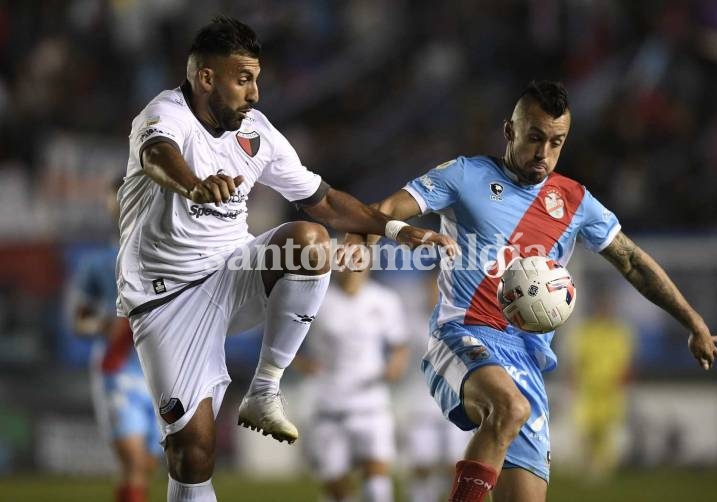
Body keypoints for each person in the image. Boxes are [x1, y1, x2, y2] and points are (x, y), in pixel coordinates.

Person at [116, 16, 453, 502]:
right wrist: (194, 184)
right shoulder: (163, 114)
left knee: (312, 240)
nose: (254, 93)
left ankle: (265, 389)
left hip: (233, 272)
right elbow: (157, 156)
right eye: (243, 79)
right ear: (206, 78)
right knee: (193, 453)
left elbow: (327, 200)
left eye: (257, 79)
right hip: (165, 298)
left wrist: (398, 229)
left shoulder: (258, 133)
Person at [347, 80, 717, 502]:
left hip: (526, 359)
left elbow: (632, 260)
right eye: (535, 138)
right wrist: (368, 244)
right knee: (509, 408)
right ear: (509, 131)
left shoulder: (576, 201)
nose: (543, 153)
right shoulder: (465, 174)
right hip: (461, 335)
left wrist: (692, 321)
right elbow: (381, 212)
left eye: (556, 142)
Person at [71, 178, 161, 502]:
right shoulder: (96, 262)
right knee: (134, 461)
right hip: (118, 369)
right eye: (116, 199)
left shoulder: (167, 254)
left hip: (160, 372)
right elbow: (78, 322)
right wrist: (101, 324)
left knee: (145, 465)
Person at [295, 266, 409, 502]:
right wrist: (302, 364)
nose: (352, 271)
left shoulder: (384, 299)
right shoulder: (316, 301)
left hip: (371, 402)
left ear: (367, 267)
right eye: (345, 264)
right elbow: (284, 340)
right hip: (328, 403)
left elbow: (399, 344)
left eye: (358, 264)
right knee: (335, 484)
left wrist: (395, 367)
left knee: (377, 477)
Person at [398, 273, 473, 502]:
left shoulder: (460, 321)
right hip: (420, 399)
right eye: (431, 288)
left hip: (454, 399)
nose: (435, 293)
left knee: (456, 465)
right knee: (422, 463)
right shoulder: (411, 322)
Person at [567, 289, 634, 480]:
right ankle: (586, 466)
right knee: (585, 428)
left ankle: (602, 470)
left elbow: (626, 361)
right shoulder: (586, 331)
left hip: (610, 390)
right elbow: (576, 360)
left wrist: (624, 381)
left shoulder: (620, 332)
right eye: (602, 307)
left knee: (606, 430)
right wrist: (573, 382)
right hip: (587, 389)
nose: (605, 310)